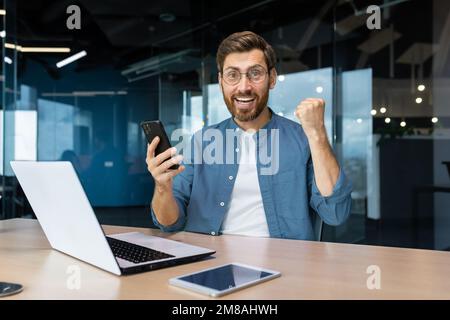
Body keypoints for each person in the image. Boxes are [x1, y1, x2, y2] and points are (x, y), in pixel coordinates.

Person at [146, 31, 352, 240]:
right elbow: (169, 224)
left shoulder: (302, 138)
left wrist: (317, 133)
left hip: (283, 263)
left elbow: (335, 213)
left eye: (255, 73)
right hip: (208, 260)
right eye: (233, 75)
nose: (244, 87)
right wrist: (162, 187)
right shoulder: (202, 140)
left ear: (271, 78)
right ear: (221, 81)